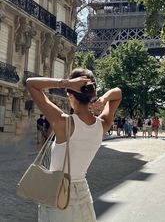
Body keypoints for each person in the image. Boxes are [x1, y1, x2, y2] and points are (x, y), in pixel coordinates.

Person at [26, 67, 122, 222]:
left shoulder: (63, 122)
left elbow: (31, 83)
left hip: (58, 192)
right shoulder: (102, 125)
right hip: (83, 192)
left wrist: (65, 83)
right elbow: (117, 93)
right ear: (91, 95)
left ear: (70, 95)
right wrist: (103, 99)